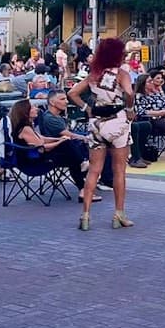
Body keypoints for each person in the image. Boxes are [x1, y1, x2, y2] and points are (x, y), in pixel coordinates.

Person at [68, 37, 136, 231]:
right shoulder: (122, 74)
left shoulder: (94, 74)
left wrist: (86, 108)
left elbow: (72, 93)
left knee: (94, 170)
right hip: (117, 122)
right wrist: (130, 108)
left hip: (96, 123)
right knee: (119, 171)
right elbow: (130, 94)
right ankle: (118, 214)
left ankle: (86, 215)